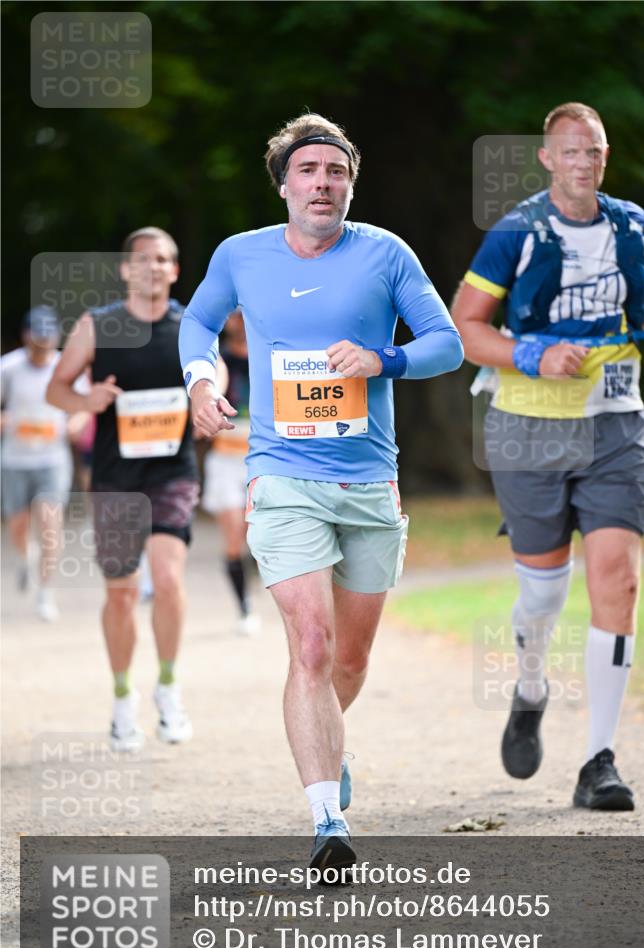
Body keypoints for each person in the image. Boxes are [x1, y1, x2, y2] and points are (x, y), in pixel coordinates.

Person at [179, 113, 463, 870]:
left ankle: (328, 748)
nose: (322, 183)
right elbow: (197, 325)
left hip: (369, 480)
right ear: (283, 185)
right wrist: (200, 380)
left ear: (349, 185)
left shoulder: (385, 254)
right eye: (307, 170)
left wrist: (382, 360)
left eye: (335, 172)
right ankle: (325, 819)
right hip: (282, 475)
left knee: (348, 663)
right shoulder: (242, 255)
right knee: (310, 645)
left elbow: (446, 344)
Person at [451, 102, 644, 811]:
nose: (583, 163)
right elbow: (465, 328)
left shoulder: (634, 226)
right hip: (530, 429)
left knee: (618, 581)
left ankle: (597, 760)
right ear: (546, 158)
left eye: (594, 153)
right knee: (542, 594)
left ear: (604, 157)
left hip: (616, 428)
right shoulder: (516, 232)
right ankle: (531, 684)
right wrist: (531, 354)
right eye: (569, 152)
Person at [47, 227, 200, 752]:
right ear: (125, 270)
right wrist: (87, 402)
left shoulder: (189, 326)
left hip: (172, 472)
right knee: (122, 593)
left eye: (162, 259)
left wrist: (210, 399)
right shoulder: (99, 325)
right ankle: (121, 699)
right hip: (114, 479)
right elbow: (57, 388)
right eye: (142, 260)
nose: (152, 267)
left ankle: (169, 687)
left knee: (168, 577)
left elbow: (217, 372)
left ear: (174, 270)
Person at [1, 306, 87, 622]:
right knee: (18, 527)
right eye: (38, 339)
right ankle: (27, 556)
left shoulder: (66, 367)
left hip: (52, 459)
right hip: (14, 460)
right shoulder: (8, 369)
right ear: (26, 336)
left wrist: (77, 421)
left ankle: (45, 592)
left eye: (48, 339)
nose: (43, 345)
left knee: (50, 523)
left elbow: (84, 403)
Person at [201, 309, 260, 635]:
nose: (239, 322)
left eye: (244, 315)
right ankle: (244, 607)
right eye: (234, 316)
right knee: (234, 535)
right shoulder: (216, 361)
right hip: (225, 462)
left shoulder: (271, 355)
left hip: (262, 460)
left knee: (258, 535)